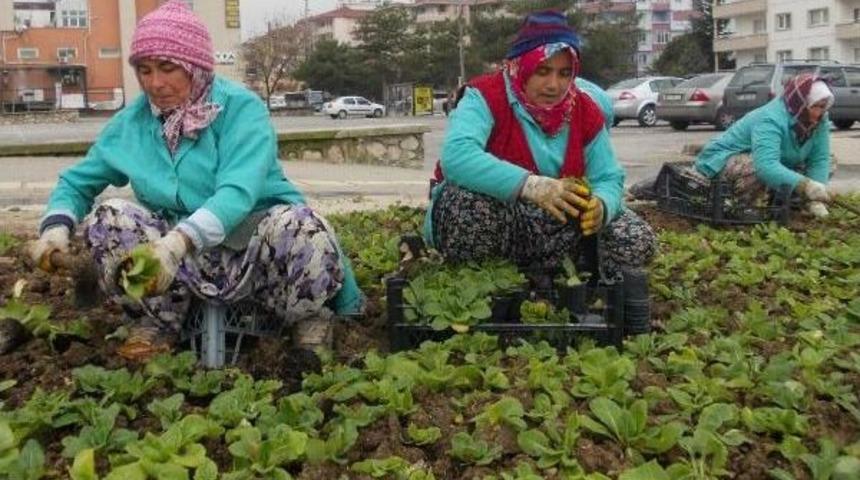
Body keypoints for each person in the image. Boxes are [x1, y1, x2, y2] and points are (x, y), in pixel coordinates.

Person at [27, 0, 362, 361]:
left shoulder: (241, 109)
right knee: (110, 217)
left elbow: (236, 192)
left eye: (168, 68)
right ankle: (158, 320)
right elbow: (77, 183)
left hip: (254, 253)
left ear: (196, 66)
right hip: (175, 269)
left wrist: (176, 244)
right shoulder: (132, 123)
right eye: (144, 69)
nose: (155, 83)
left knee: (302, 225)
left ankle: (307, 322)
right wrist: (55, 228)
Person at [423, 10, 657, 328]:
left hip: (551, 223)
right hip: (500, 217)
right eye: (543, 71)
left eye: (564, 73)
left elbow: (609, 176)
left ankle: (555, 283)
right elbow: (457, 156)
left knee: (633, 236)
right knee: (466, 204)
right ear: (521, 66)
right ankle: (490, 288)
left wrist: (601, 205)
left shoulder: (583, 109)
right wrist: (532, 186)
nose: (554, 84)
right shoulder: (485, 96)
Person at [693, 73, 835, 217]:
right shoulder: (770, 119)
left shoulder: (820, 119)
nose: (819, 112)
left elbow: (819, 158)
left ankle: (793, 202)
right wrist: (805, 186)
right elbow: (766, 166)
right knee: (753, 166)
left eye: (823, 107)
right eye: (814, 106)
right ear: (801, 103)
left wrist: (816, 198)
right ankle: (741, 208)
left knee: (830, 161)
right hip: (720, 160)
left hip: (774, 160)